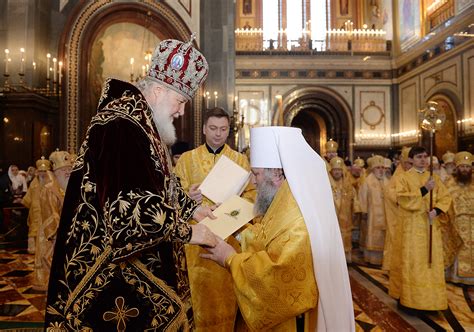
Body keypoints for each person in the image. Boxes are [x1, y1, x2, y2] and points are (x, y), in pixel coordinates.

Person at [45, 38, 218, 331]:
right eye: (181, 102)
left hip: (130, 260)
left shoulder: (139, 123)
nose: (181, 112)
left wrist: (191, 209)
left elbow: (155, 182)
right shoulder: (121, 125)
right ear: (160, 91)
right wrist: (191, 233)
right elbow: (129, 213)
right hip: (107, 272)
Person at [201, 126, 354, 331]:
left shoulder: (298, 217)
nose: (253, 181)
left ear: (278, 174)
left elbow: (279, 274)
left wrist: (230, 258)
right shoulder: (287, 197)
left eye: (256, 174)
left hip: (294, 322)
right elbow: (267, 235)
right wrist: (232, 223)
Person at [174, 107, 255, 331]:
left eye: (223, 129)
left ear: (229, 130)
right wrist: (188, 197)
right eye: (213, 128)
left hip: (228, 240)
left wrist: (232, 206)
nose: (218, 134)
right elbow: (172, 196)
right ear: (203, 129)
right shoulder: (187, 160)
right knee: (196, 298)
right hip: (195, 244)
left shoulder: (240, 160)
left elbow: (251, 197)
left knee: (227, 298)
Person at [395, 146, 451, 311]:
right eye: (419, 157)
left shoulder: (434, 178)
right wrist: (425, 189)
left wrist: (437, 210)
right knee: (414, 263)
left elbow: (445, 197)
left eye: (425, 157)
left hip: (431, 227)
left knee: (431, 263)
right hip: (412, 229)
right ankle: (411, 301)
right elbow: (403, 199)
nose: (423, 160)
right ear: (411, 159)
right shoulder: (403, 178)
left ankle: (433, 302)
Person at [33, 150, 72, 291]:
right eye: (64, 170)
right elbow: (50, 214)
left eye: (69, 169)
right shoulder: (49, 189)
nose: (67, 172)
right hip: (51, 235)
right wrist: (56, 235)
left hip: (65, 233)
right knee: (50, 260)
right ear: (55, 172)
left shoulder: (68, 188)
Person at [445, 151, 473, 285]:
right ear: (457, 168)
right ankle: (457, 276)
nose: (465, 170)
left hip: (473, 223)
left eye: (468, 167)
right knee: (459, 247)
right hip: (456, 222)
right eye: (462, 167)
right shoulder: (449, 183)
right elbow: (444, 201)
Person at [384, 146, 412, 276]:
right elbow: (391, 193)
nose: (410, 166)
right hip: (398, 216)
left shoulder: (414, 174)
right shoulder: (399, 175)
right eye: (408, 163)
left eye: (412, 163)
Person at [358, 155, 388, 265]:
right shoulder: (367, 181)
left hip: (385, 214)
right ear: (373, 169)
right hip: (372, 215)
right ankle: (371, 259)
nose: (381, 170)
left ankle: (382, 259)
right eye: (378, 168)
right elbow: (362, 197)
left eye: (382, 168)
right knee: (371, 235)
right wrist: (364, 211)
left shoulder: (387, 181)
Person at [22, 157, 52, 254]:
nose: (42, 173)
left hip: (48, 210)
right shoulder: (33, 184)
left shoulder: (52, 183)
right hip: (35, 211)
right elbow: (27, 198)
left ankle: (47, 249)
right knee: (34, 229)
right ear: (37, 172)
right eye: (40, 171)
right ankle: (33, 248)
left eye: (44, 171)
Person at [328, 156, 356, 262]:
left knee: (345, 236)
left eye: (339, 170)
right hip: (332, 217)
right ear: (331, 170)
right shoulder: (326, 184)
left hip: (345, 216)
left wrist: (356, 208)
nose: (337, 172)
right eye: (335, 170)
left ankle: (345, 258)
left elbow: (354, 197)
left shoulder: (347, 184)